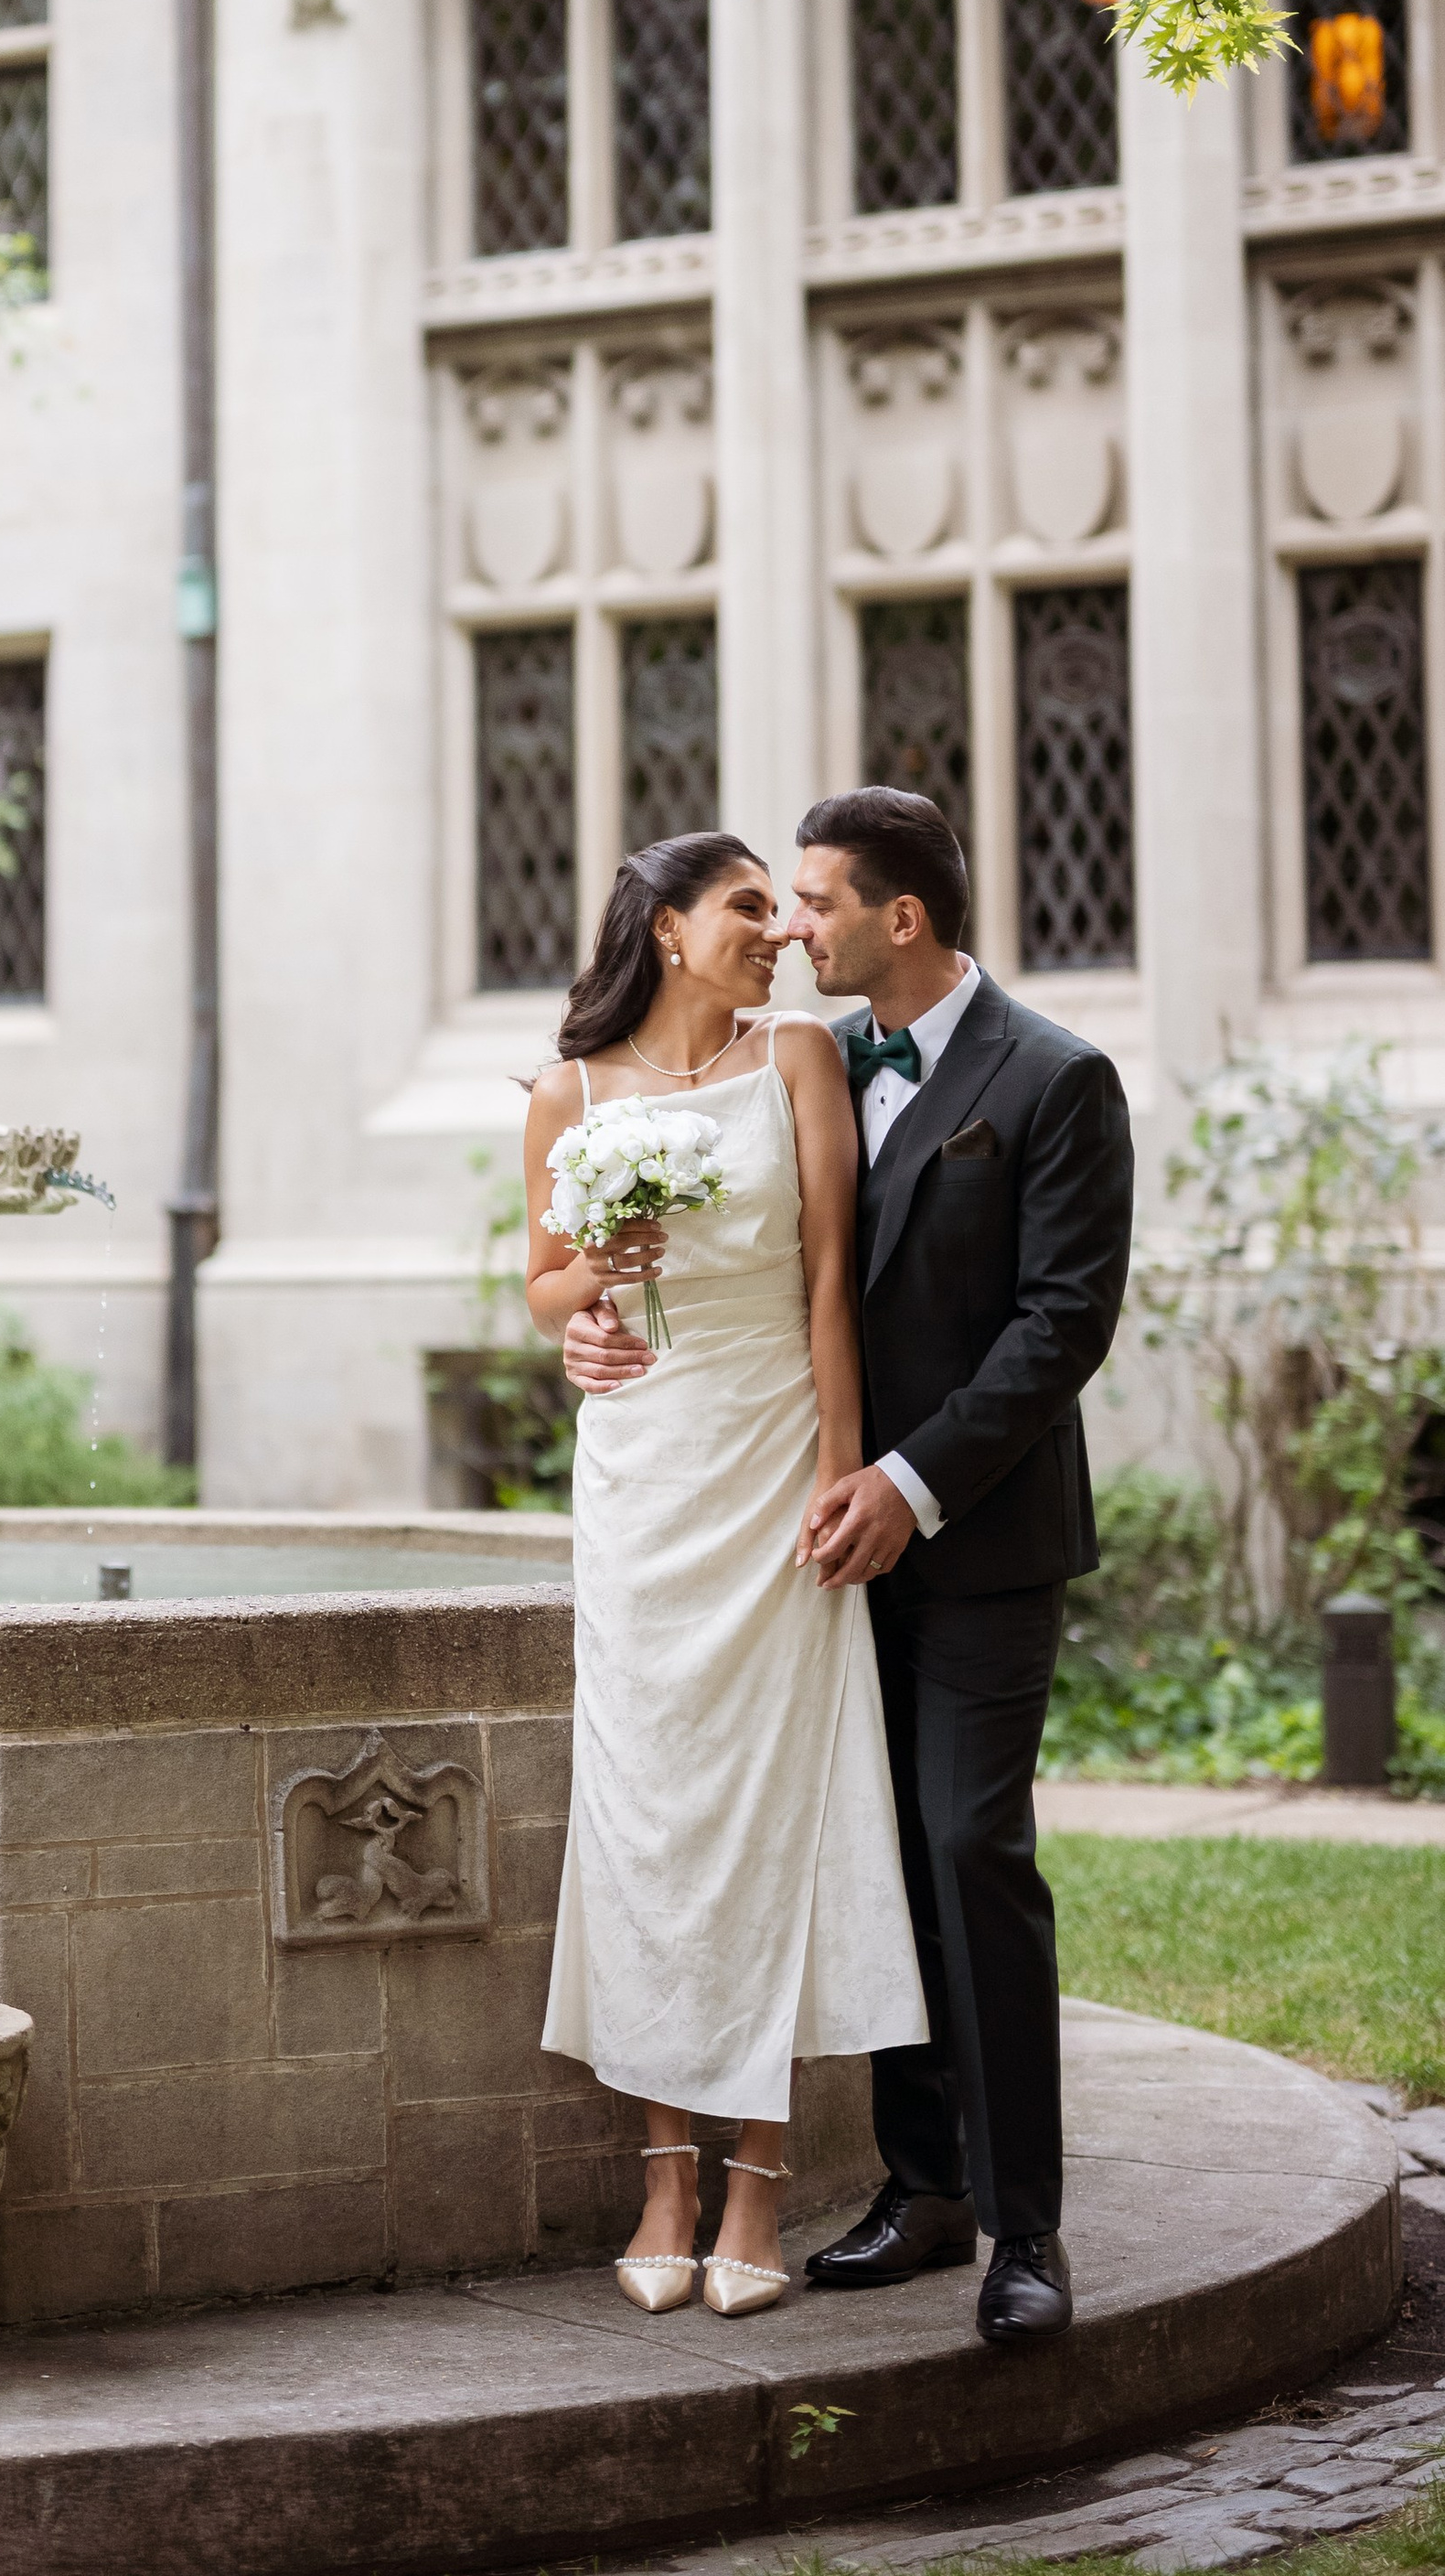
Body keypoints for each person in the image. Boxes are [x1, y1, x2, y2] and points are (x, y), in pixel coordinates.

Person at [559, 789, 1134, 2345]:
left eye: (816, 901)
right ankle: (925, 2185)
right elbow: (707, 1268)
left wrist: (904, 1478)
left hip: (973, 1535)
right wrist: (592, 1318)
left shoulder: (1058, 1078)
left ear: (904, 918)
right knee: (865, 1851)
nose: (797, 926)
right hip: (785, 1519)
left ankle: (1026, 2230)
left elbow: (1061, 1324)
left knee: (965, 1853)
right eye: (778, 902)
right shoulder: (818, 1061)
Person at [525, 834, 928, 2320]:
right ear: (668, 929)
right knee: (649, 1812)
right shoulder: (570, 1093)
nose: (778, 930)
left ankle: (757, 2177)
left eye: (784, 904)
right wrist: (595, 1281)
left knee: (772, 1810)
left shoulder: (800, 1059)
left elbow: (830, 1278)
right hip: (640, 1474)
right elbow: (544, 1280)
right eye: (749, 907)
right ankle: (664, 2177)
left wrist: (843, 1470)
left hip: (774, 1465)